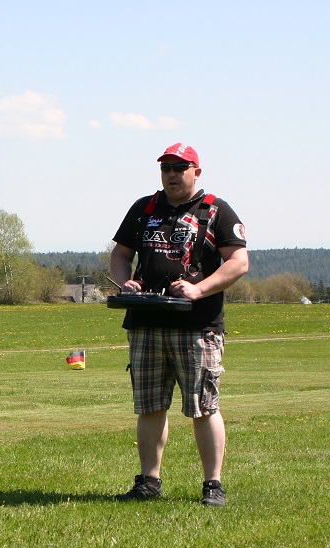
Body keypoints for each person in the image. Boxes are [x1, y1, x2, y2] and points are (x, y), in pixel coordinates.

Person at [109, 143, 249, 506]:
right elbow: (121, 254)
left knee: (204, 406)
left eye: (180, 168)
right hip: (146, 323)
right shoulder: (144, 209)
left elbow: (238, 262)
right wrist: (126, 283)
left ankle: (213, 485)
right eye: (166, 168)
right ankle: (148, 482)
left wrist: (198, 289)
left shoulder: (216, 210)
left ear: (196, 172)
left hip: (197, 327)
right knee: (149, 406)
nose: (171, 174)